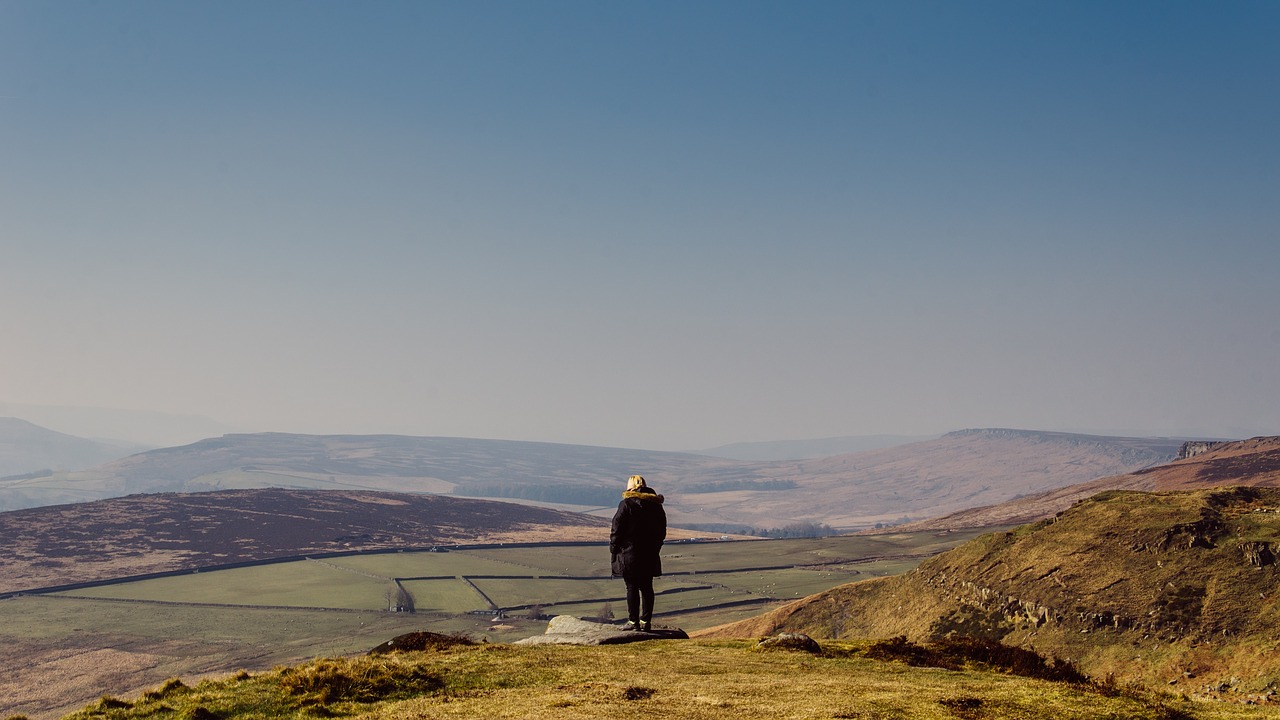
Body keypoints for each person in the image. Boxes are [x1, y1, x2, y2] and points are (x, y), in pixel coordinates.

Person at [609, 474, 666, 631]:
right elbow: (662, 531)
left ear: (630, 487)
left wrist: (614, 548)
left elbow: (616, 529)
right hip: (650, 553)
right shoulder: (656, 506)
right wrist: (656, 547)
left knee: (632, 586)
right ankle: (645, 621)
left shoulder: (626, 505)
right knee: (647, 587)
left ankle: (633, 622)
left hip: (629, 554)